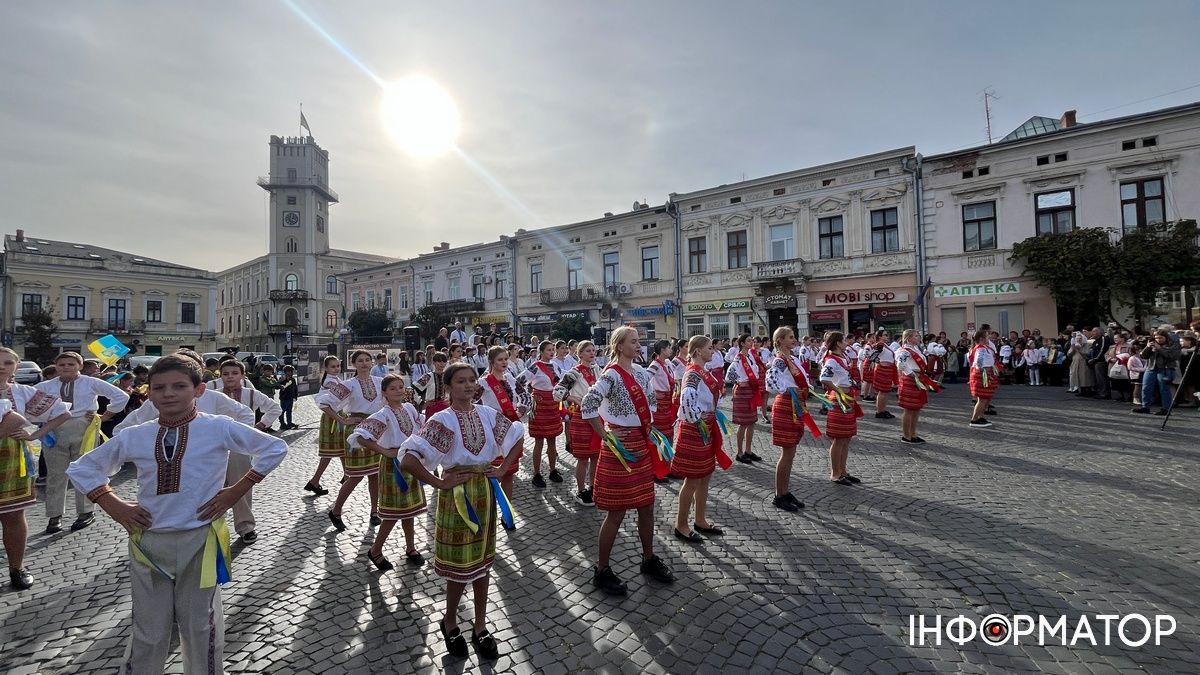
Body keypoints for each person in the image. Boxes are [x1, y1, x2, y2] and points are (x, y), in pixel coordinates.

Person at [66, 355, 286, 673]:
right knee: (149, 629)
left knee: (201, 626)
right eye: (159, 388)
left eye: (179, 386)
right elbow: (83, 467)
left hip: (200, 538)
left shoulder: (217, 427)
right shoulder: (135, 435)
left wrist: (237, 490)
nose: (169, 393)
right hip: (148, 544)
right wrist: (112, 504)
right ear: (150, 393)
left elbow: (275, 448)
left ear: (198, 390)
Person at [399, 363, 524, 660]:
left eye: (471, 381)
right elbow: (408, 458)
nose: (468, 386)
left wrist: (503, 467)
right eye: (460, 381)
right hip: (456, 496)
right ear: (448, 386)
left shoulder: (487, 414)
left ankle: (480, 625)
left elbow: (517, 435)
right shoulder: (442, 420)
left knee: (483, 562)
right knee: (458, 569)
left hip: (484, 491)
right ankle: (450, 620)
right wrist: (439, 481)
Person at [582, 326, 674, 596]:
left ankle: (648, 559)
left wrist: (650, 432)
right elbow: (588, 405)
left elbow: (651, 406)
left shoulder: (643, 374)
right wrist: (607, 434)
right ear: (619, 346)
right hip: (620, 448)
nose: (639, 345)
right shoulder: (611, 374)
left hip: (640, 443)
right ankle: (602, 570)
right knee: (617, 511)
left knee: (647, 506)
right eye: (633, 341)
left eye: (639, 341)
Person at [35, 351, 130, 534]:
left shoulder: (90, 382)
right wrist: (42, 418)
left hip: (84, 427)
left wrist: (105, 415)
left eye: (71, 364)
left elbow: (121, 396)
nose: (66, 368)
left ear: (79, 366)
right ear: (56, 367)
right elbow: (29, 402)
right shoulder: (46, 386)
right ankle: (54, 515)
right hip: (55, 429)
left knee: (84, 470)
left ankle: (85, 512)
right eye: (62, 364)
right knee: (55, 473)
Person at [0, 347, 71, 590]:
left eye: (8, 363)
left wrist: (35, 433)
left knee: (13, 515)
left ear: (16, 367)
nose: (2, 367)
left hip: (12, 461)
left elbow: (63, 412)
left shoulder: (23, 392)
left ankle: (16, 568)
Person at [349, 375, 427, 570]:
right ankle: (375, 549)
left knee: (409, 511)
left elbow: (421, 427)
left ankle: (410, 548)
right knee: (393, 513)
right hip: (393, 466)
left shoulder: (409, 408)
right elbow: (359, 436)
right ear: (384, 393)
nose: (399, 391)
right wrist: (384, 451)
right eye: (393, 388)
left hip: (410, 461)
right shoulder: (383, 414)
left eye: (401, 387)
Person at [215, 360, 283, 543]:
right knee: (212, 485)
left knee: (240, 485)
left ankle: (245, 526)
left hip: (240, 448)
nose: (230, 377)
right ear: (220, 376)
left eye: (234, 373)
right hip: (216, 446)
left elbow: (275, 408)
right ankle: (212, 525)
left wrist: (259, 427)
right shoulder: (214, 395)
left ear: (243, 376)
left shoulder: (251, 394)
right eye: (226, 373)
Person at [318, 350, 386, 531]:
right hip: (357, 431)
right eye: (360, 361)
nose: (364, 363)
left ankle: (374, 511)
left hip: (376, 430)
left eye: (367, 360)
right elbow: (324, 402)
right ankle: (336, 510)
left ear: (372, 362)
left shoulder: (380, 382)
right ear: (353, 364)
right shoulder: (349, 384)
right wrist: (343, 420)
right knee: (355, 475)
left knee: (375, 474)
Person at [671, 335, 728, 543]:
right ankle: (681, 524)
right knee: (693, 479)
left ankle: (700, 519)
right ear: (697, 352)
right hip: (696, 429)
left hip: (705, 427)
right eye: (709, 348)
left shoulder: (703, 371)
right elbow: (685, 398)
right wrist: (698, 416)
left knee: (705, 475)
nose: (713, 351)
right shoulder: (693, 373)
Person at [764, 327, 815, 512]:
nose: (794, 340)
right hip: (786, 405)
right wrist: (787, 389)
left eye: (794, 337)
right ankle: (779, 495)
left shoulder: (791, 359)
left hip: (795, 405)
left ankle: (785, 492)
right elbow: (770, 380)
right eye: (790, 337)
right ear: (780, 341)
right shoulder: (779, 360)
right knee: (786, 453)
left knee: (791, 452)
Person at [477, 345, 529, 505]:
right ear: (492, 362)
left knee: (508, 473)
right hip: (493, 431)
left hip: (511, 428)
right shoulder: (484, 382)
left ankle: (507, 510)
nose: (504, 362)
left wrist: (521, 410)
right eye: (500, 359)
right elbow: (470, 402)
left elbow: (525, 396)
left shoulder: (511, 378)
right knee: (493, 472)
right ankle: (490, 508)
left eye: (506, 358)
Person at [553, 340, 602, 505]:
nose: (592, 353)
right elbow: (557, 392)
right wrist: (573, 398)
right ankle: (581, 490)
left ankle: (593, 487)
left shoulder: (597, 370)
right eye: (588, 350)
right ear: (579, 354)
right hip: (581, 418)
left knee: (596, 456)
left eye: (593, 350)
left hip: (597, 416)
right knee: (583, 458)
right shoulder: (574, 372)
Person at [819, 332, 863, 485]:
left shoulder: (842, 357)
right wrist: (837, 391)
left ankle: (843, 471)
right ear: (837, 343)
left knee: (846, 437)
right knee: (839, 438)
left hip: (847, 397)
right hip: (840, 400)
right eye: (844, 340)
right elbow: (823, 378)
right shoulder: (832, 360)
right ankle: (835, 473)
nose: (846, 342)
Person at [524, 340, 563, 488]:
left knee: (552, 441)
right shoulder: (535, 367)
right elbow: (520, 381)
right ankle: (537, 473)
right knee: (539, 442)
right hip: (539, 406)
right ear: (541, 351)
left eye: (553, 349)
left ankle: (553, 470)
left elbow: (562, 382)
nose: (552, 352)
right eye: (548, 350)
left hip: (552, 405)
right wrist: (528, 398)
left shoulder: (556, 366)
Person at [306, 356, 344, 496]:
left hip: (337, 416)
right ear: (326, 369)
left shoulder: (335, 379)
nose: (336, 369)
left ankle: (346, 476)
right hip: (332, 417)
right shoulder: (329, 381)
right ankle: (315, 481)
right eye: (333, 366)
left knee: (341, 450)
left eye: (338, 366)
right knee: (333, 452)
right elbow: (340, 391)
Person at [724, 334, 763, 464]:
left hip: (751, 390)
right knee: (743, 423)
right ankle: (739, 452)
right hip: (742, 393)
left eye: (751, 340)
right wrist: (739, 382)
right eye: (748, 340)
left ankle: (748, 450)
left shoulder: (750, 355)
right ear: (741, 343)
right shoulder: (738, 358)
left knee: (752, 422)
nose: (751, 342)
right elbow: (729, 375)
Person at [896, 329, 936, 444]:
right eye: (916, 336)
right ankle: (906, 435)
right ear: (908, 338)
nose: (919, 337)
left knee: (916, 409)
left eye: (918, 335)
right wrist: (912, 374)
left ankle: (913, 433)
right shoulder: (904, 350)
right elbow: (900, 364)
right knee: (909, 409)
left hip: (919, 378)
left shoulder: (916, 349)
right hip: (911, 379)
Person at [646, 340, 679, 468]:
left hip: (668, 402)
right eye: (669, 347)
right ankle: (659, 468)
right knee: (660, 435)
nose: (671, 350)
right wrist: (653, 393)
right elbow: (644, 379)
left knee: (669, 433)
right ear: (663, 350)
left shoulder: (667, 363)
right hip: (659, 405)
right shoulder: (655, 365)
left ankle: (667, 465)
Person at [1132, 329, 1180, 415]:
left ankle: (1166, 409)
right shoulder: (1152, 343)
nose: (1158, 340)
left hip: (1165, 368)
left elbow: (1172, 356)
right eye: (1156, 338)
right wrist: (1148, 347)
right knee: (1146, 387)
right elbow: (1143, 356)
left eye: (1160, 338)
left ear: (1166, 337)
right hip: (1151, 367)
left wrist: (1159, 348)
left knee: (1164, 389)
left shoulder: (1173, 344)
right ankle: (1145, 407)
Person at [968, 330, 999, 428]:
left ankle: (981, 416)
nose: (988, 338)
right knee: (982, 398)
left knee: (986, 398)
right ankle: (974, 419)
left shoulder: (985, 347)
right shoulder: (980, 349)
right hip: (982, 374)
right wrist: (984, 372)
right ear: (981, 339)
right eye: (987, 337)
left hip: (987, 373)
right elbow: (979, 362)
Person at [413, 352, 450, 416]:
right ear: (434, 362)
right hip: (432, 408)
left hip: (446, 408)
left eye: (444, 361)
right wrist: (421, 403)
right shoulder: (428, 377)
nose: (442, 364)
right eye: (439, 361)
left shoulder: (448, 377)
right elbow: (412, 389)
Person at [871, 331, 897, 420]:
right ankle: (879, 411)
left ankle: (883, 410)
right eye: (885, 335)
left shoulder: (885, 345)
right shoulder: (880, 345)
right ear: (880, 337)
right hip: (883, 370)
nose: (887, 336)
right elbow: (872, 356)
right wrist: (879, 363)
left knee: (885, 392)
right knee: (882, 392)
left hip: (888, 369)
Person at [1105, 333, 1134, 403]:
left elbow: (1132, 355)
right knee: (1115, 381)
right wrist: (1109, 359)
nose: (1115, 339)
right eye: (1114, 338)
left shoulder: (1129, 346)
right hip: (1113, 366)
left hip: (1124, 366)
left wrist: (1124, 359)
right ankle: (1119, 396)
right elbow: (1106, 354)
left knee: (1125, 381)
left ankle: (1127, 396)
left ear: (1122, 338)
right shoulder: (1112, 346)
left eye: (1117, 338)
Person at [277, 364, 298, 430]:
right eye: (288, 371)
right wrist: (283, 380)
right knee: (282, 411)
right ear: (285, 372)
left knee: (289, 411)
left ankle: (289, 423)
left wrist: (295, 396)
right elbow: (278, 385)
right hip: (284, 398)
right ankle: (282, 424)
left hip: (290, 397)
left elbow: (295, 388)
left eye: (291, 371)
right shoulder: (282, 379)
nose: (290, 373)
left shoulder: (293, 379)